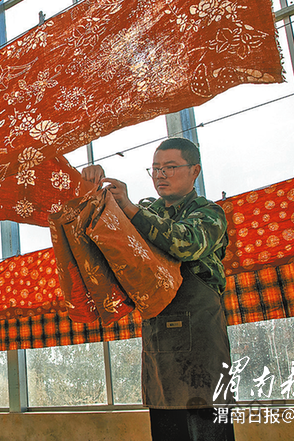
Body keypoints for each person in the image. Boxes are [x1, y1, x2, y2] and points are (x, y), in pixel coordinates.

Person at [81, 137, 234, 441]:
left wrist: (130, 208)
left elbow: (185, 243)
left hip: (201, 336)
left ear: (195, 171)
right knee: (167, 426)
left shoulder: (209, 213)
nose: (161, 175)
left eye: (170, 167)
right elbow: (105, 234)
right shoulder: (146, 210)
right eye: (155, 169)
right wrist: (88, 186)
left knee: (208, 425)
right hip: (159, 336)